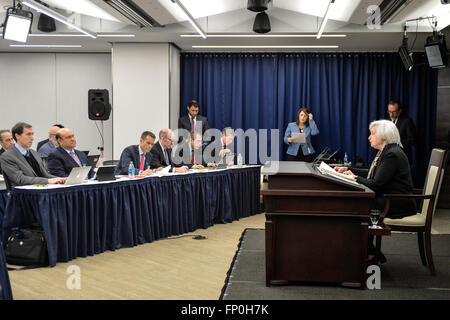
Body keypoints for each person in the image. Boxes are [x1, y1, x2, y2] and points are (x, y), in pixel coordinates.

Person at [334, 120, 416, 263]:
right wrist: (348, 169)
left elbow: (375, 184)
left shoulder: (391, 154)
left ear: (384, 136)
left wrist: (355, 178)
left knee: (357, 207)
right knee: (357, 206)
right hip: (389, 198)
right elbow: (373, 174)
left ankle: (369, 253)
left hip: (397, 202)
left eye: (372, 134)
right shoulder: (386, 151)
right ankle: (367, 251)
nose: (369, 137)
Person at [0, 122, 66, 187]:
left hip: (41, 191)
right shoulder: (7, 157)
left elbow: (45, 175)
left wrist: (61, 179)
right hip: (24, 195)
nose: (32, 138)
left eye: (32, 134)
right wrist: (48, 181)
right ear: (17, 136)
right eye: (28, 134)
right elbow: (20, 179)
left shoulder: (35, 153)